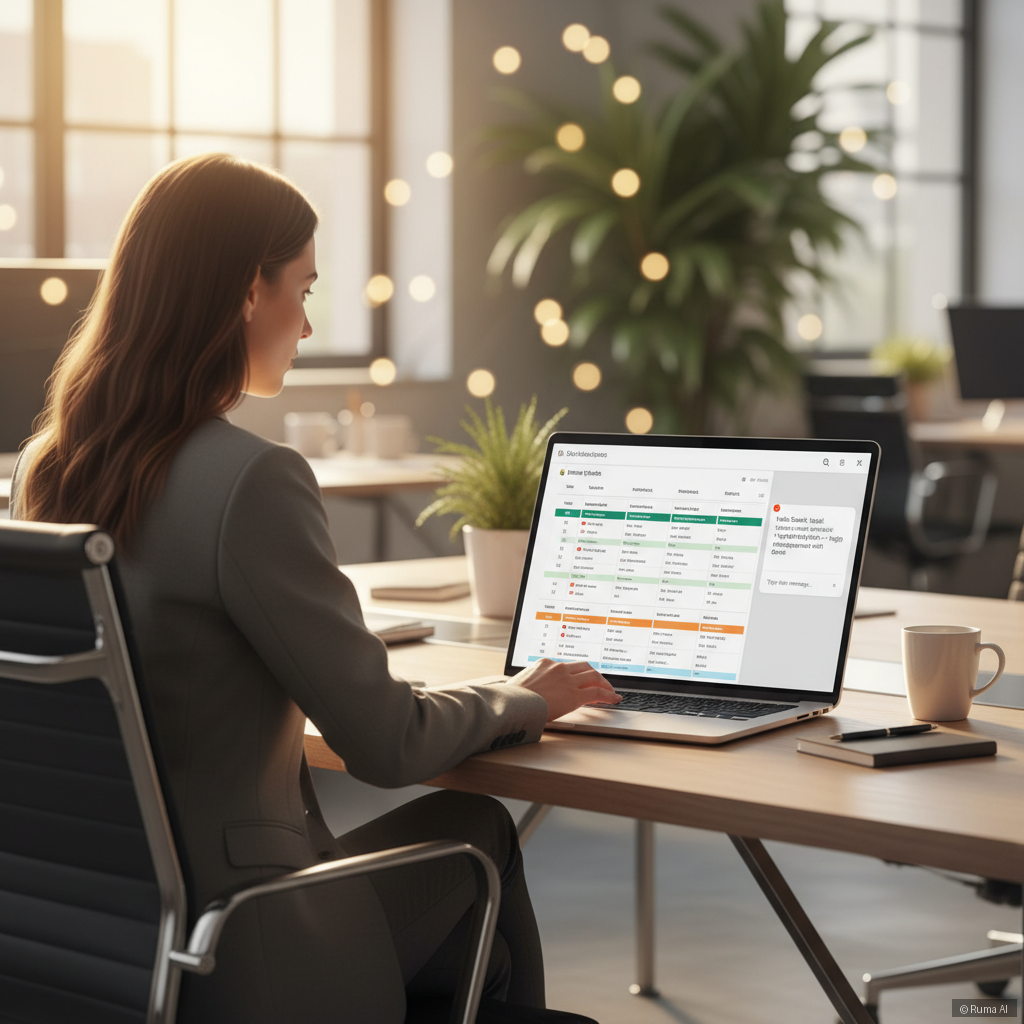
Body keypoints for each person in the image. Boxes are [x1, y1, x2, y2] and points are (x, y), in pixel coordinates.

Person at [12, 153, 619, 1023]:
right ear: (244, 294)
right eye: (302, 288)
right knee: (480, 831)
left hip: (103, 944)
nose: (304, 324)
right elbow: (386, 742)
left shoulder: (47, 468)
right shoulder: (251, 480)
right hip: (243, 944)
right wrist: (519, 697)